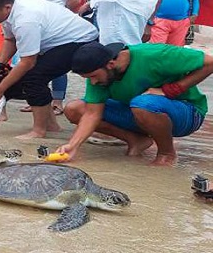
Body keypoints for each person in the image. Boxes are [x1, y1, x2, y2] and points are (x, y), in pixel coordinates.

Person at [57, 42, 212, 166]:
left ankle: (166, 153)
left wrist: (171, 89)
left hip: (188, 113)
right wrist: (73, 146)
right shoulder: (98, 73)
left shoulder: (154, 55)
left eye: (93, 76)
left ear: (110, 64)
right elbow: (92, 114)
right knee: (74, 109)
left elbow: (209, 62)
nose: (93, 82)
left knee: (142, 103)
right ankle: (136, 140)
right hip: (140, 110)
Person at [0, 0, 98, 139]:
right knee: (32, 75)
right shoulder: (10, 11)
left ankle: (39, 130)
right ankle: (51, 125)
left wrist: (0, 89)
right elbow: (10, 39)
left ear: (6, 7)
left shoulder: (25, 19)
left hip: (80, 40)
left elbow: (28, 62)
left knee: (33, 77)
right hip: (57, 42)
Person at [22, 0, 81, 116]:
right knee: (38, 64)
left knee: (56, 65)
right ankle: (39, 99)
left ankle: (57, 101)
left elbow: (74, 1)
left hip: (56, 26)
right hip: (38, 27)